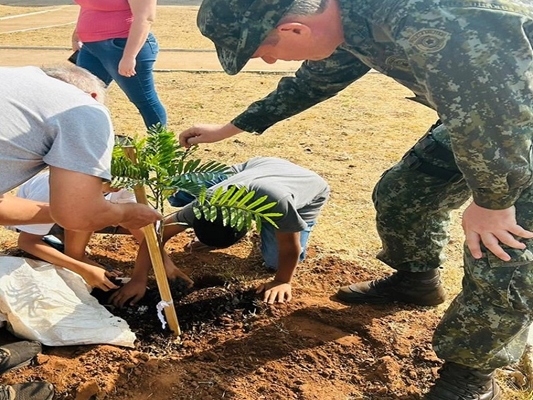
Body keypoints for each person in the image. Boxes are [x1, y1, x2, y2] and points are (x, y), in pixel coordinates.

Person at [177, 0, 533, 398]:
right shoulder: (349, 21)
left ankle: (470, 376)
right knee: (404, 193)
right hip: (476, 120)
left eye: (265, 52)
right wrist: (230, 128)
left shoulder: (430, 17)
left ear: (295, 29)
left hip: (508, 121)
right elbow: (314, 80)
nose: (272, 61)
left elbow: (499, 109)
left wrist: (493, 200)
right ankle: (416, 281)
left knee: (506, 252)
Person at [0, 64, 161, 399]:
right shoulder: (84, 108)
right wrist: (122, 215)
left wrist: (148, 272)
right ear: (92, 95)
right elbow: (74, 214)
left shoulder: (16, 86)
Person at [109, 156, 330, 307]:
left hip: (306, 190)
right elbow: (157, 232)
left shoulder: (277, 202)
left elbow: (290, 247)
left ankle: (267, 230)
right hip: (255, 168)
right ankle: (190, 204)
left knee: (274, 260)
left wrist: (282, 280)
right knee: (179, 193)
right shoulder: (204, 203)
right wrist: (138, 279)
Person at [10, 170, 146, 292]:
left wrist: (162, 265)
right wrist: (81, 268)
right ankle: (75, 255)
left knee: (124, 215)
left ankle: (75, 253)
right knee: (86, 211)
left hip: (76, 215)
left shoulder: (124, 180)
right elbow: (27, 242)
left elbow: (140, 225)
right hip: (32, 221)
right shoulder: (53, 189)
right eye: (110, 180)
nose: (118, 185)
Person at [72, 0, 167, 129]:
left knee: (144, 100)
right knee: (83, 97)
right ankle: (89, 142)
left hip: (122, 46)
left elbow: (145, 18)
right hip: (90, 47)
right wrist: (77, 34)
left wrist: (129, 56)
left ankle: (160, 146)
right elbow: (88, 6)